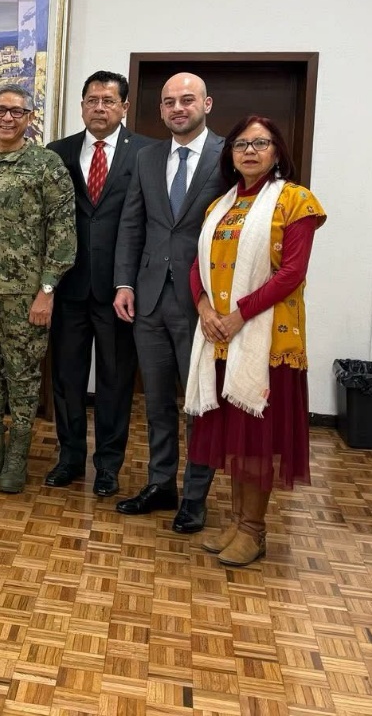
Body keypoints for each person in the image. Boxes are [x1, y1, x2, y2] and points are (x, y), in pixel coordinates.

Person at [186, 116, 325, 566]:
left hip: (266, 342)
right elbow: (198, 267)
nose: (249, 151)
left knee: (255, 441)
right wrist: (206, 311)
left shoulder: (295, 201)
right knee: (234, 438)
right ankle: (236, 519)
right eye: (241, 144)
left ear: (277, 151)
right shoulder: (219, 206)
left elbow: (292, 273)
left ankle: (254, 529)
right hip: (221, 337)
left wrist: (238, 314)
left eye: (260, 143)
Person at [113, 72, 226, 533]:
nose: (178, 108)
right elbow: (132, 225)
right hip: (150, 301)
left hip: (203, 304)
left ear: (207, 103)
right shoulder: (146, 157)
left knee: (198, 405)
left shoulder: (229, 156)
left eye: (187, 99)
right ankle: (161, 484)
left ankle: (195, 496)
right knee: (157, 402)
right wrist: (125, 283)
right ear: (160, 110)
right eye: (169, 102)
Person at [0, 83, 75, 492]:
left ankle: (17, 459)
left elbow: (63, 230)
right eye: (0, 110)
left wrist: (47, 289)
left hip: (27, 296)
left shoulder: (47, 165)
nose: (7, 118)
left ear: (29, 118)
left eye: (17, 112)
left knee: (22, 378)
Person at [45, 72, 156, 496]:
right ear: (81, 105)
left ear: (124, 107)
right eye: (92, 100)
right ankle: (69, 458)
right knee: (67, 381)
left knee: (114, 382)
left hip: (119, 292)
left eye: (109, 101)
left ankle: (108, 465)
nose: (100, 108)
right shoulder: (58, 153)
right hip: (69, 288)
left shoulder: (147, 153)